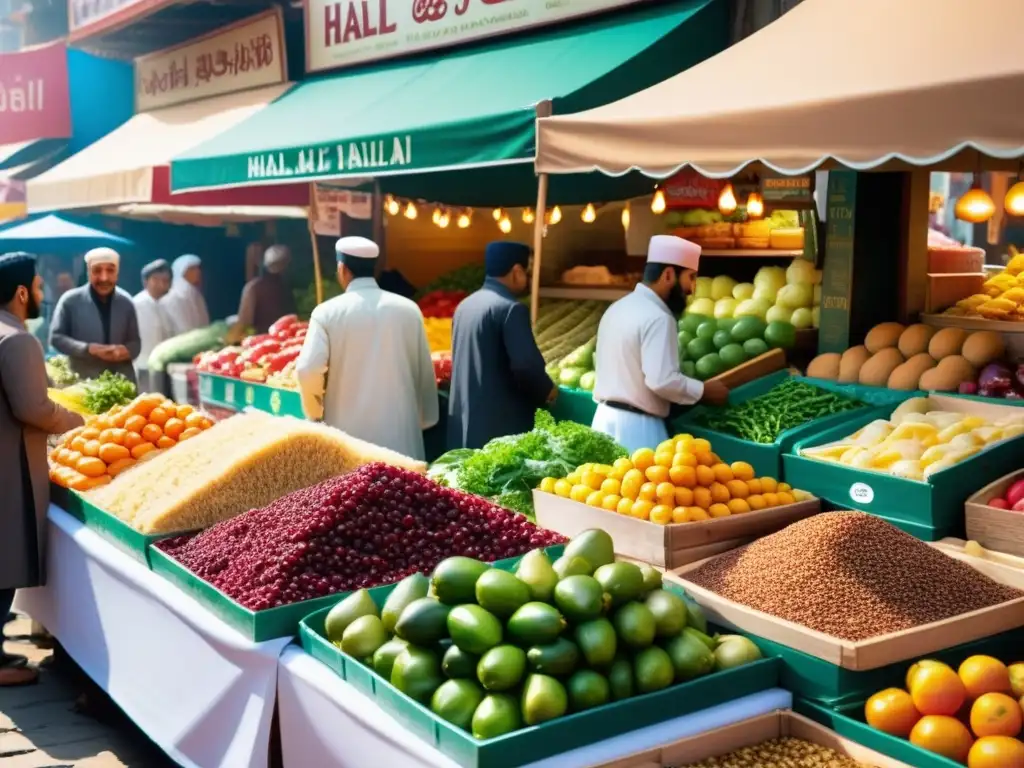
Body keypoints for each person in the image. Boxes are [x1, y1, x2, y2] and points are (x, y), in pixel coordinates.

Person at [0, 252, 83, 687]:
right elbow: (33, 408)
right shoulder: (17, 339)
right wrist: (77, 422)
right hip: (8, 467)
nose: (41, 294)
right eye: (37, 286)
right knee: (6, 556)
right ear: (20, 292)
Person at [295, 237, 438, 460]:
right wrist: (424, 419)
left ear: (342, 269)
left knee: (353, 494)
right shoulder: (409, 310)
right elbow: (424, 373)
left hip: (348, 445)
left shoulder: (326, 313)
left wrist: (315, 413)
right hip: (402, 442)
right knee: (402, 493)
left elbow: (307, 369)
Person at [591, 235, 729, 453]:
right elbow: (662, 380)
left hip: (602, 421)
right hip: (638, 430)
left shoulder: (617, 307)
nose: (692, 288)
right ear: (668, 275)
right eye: (690, 277)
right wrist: (703, 391)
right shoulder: (658, 317)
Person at [448, 241, 555, 449]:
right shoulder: (510, 308)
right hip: (498, 428)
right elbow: (526, 365)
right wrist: (547, 390)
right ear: (516, 271)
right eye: (526, 271)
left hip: (464, 424)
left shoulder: (465, 306)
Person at [49, 247, 141, 385]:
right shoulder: (70, 300)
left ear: (117, 273)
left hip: (122, 383)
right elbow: (56, 338)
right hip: (82, 383)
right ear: (88, 271)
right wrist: (88, 349)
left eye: (110, 270)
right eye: (97, 270)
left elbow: (136, 344)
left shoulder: (126, 302)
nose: (104, 278)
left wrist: (123, 351)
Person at [236, 244, 297, 335]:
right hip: (264, 340)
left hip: (279, 338)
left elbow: (244, 321)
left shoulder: (285, 288)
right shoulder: (254, 288)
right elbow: (244, 322)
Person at [132, 259, 173, 389]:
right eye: (155, 279)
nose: (161, 284)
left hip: (161, 365)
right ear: (145, 282)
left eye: (165, 280)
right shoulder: (137, 304)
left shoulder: (165, 304)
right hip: (143, 366)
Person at [163, 254, 210, 335]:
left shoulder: (196, 295)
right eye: (192, 269)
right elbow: (184, 331)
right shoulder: (173, 297)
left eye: (198, 268)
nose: (198, 272)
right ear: (181, 272)